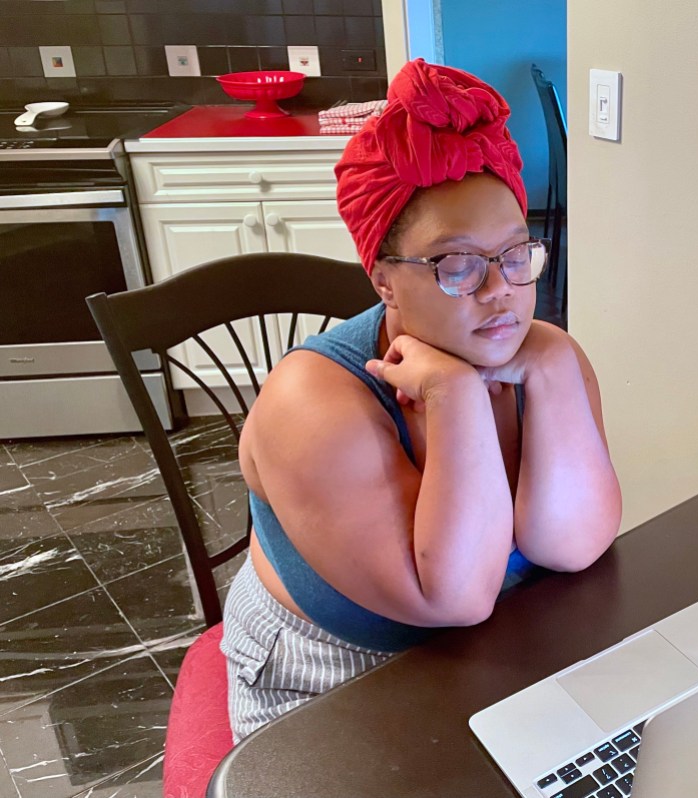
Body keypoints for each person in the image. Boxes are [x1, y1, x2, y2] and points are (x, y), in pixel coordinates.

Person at [220, 59, 622, 743]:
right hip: (328, 684)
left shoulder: (544, 355)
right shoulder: (310, 405)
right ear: (383, 280)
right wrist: (454, 392)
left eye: (516, 253)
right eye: (456, 264)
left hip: (495, 661)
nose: (500, 290)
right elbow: (455, 596)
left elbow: (572, 546)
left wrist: (553, 367)